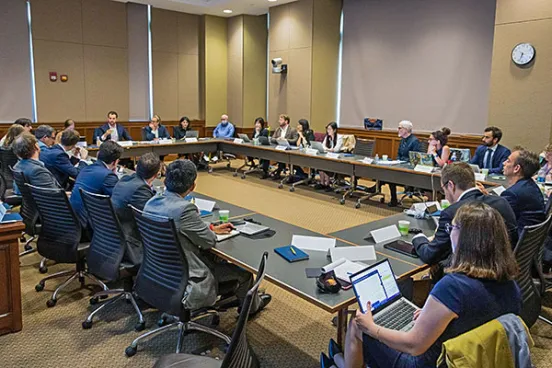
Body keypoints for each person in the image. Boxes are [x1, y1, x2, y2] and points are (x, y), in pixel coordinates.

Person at [320, 202, 521, 368]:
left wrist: (372, 328)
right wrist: (431, 316)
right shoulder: (511, 285)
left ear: (466, 239)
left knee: (357, 324)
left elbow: (413, 346)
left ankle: (342, 363)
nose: (450, 233)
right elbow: (472, 318)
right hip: (475, 359)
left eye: (453, 228)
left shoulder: (453, 286)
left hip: (430, 362)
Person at [143, 160, 272, 314]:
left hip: (159, 273)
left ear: (165, 180)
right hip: (188, 279)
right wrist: (208, 231)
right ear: (192, 187)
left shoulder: (151, 203)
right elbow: (208, 241)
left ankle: (232, 295)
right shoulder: (184, 209)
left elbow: (179, 229)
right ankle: (251, 309)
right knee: (244, 274)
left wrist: (209, 227)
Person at [412, 162, 517, 279]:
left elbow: (431, 255)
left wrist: (418, 239)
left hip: (468, 278)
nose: (445, 195)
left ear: (451, 185)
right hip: (504, 272)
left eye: (443, 190)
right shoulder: (502, 202)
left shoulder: (453, 212)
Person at [111, 153, 161, 266]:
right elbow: (154, 218)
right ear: (157, 174)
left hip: (113, 236)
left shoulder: (125, 179)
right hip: (130, 242)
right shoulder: (140, 190)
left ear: (136, 167)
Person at [70, 141, 123, 232]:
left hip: (73, 222)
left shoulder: (86, 168)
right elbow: (118, 201)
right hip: (88, 228)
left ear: (98, 154)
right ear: (115, 162)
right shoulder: (107, 176)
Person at [501, 147, 545, 234]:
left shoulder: (512, 194)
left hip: (515, 240)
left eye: (508, 161)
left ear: (516, 168)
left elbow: (498, 220)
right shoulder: (531, 185)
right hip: (530, 240)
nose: (504, 163)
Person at [385, 120, 422, 207]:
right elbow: (398, 154)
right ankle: (393, 199)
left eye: (399, 128)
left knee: (393, 176)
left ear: (405, 129)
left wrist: (403, 162)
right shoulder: (402, 140)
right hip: (400, 165)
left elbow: (415, 158)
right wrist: (398, 161)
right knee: (390, 175)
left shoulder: (414, 141)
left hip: (409, 168)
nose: (398, 130)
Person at [269, 114, 298, 180]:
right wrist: (277, 139)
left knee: (282, 157)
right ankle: (278, 171)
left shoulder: (292, 130)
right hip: (279, 148)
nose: (279, 121)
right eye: (279, 120)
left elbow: (295, 140)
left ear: (286, 121)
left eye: (281, 120)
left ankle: (279, 172)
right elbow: (272, 139)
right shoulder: (278, 129)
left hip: (289, 150)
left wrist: (286, 140)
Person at [315, 122, 342, 191]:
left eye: (330, 129)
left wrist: (328, 149)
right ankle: (322, 183)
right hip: (327, 155)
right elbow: (323, 146)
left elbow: (336, 149)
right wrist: (329, 149)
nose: (328, 131)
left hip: (336, 157)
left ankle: (327, 183)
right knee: (320, 164)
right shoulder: (327, 137)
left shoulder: (339, 137)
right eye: (327, 129)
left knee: (326, 165)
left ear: (335, 130)